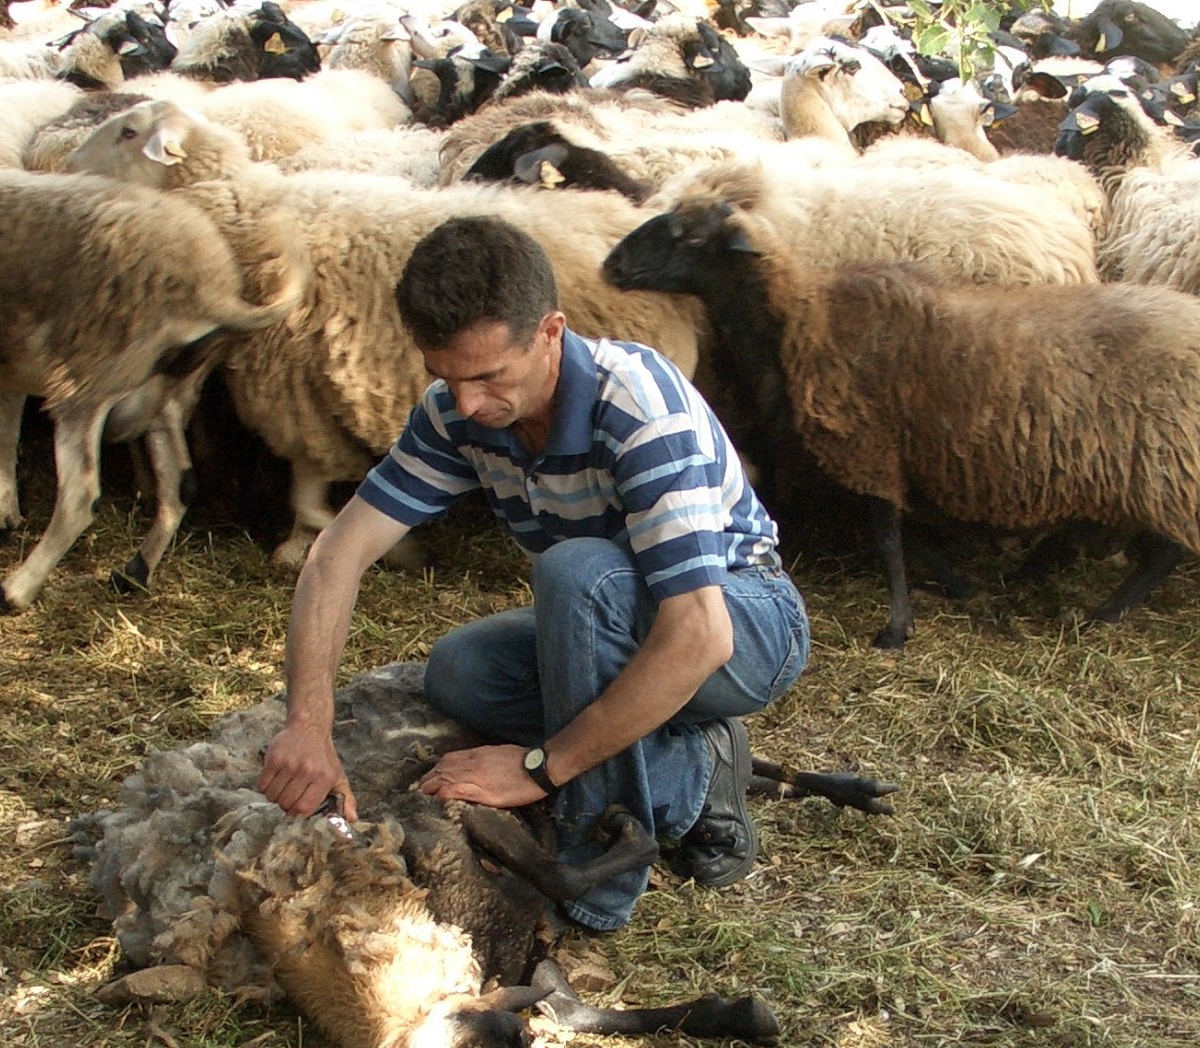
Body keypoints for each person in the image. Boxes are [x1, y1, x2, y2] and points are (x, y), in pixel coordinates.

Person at [257, 215, 809, 931]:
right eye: (445, 377)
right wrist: (309, 722)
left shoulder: (638, 405)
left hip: (742, 616)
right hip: (617, 616)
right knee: (460, 670)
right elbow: (337, 553)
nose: (467, 405)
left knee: (577, 571)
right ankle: (695, 766)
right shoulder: (459, 412)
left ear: (550, 332)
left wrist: (539, 767)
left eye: (489, 376)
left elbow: (698, 634)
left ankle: (595, 875)